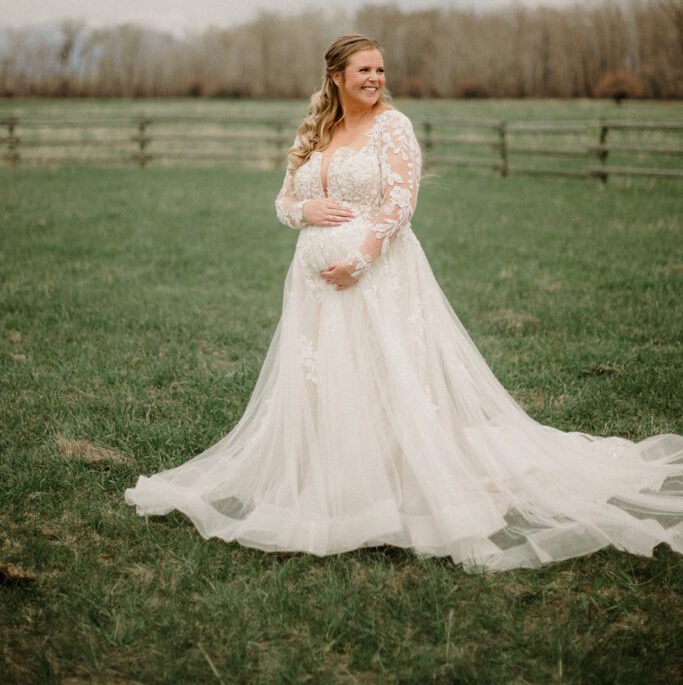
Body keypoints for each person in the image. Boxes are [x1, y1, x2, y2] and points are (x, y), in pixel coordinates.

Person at [125, 34, 683, 573]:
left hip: (378, 275)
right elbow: (284, 199)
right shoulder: (320, 130)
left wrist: (360, 260)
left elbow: (400, 204)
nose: (375, 79)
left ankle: (397, 486)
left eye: (380, 70)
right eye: (364, 70)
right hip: (313, 283)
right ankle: (336, 481)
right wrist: (305, 213)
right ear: (337, 77)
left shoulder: (394, 128)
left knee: (385, 375)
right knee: (324, 380)